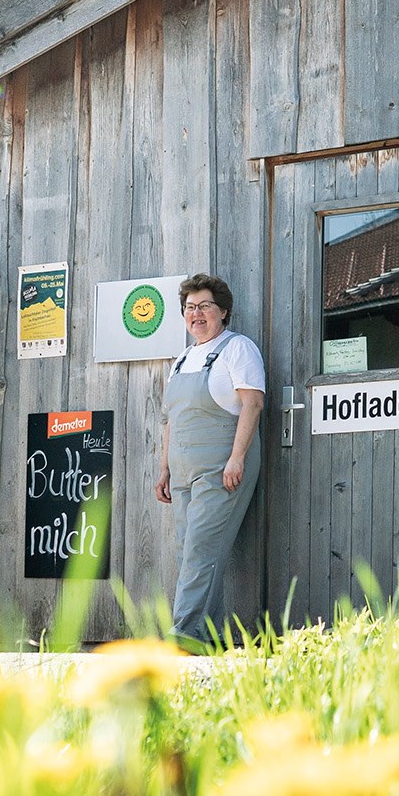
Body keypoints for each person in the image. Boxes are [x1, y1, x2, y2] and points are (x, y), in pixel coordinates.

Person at [156, 273, 264, 648]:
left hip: (222, 466)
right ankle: (207, 639)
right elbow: (170, 418)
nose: (196, 314)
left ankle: (183, 634)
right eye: (190, 308)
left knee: (202, 548)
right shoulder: (182, 359)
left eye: (205, 306)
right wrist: (165, 468)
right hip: (183, 468)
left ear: (223, 312)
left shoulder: (238, 348)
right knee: (190, 550)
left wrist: (237, 458)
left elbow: (252, 404)